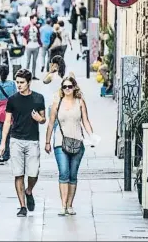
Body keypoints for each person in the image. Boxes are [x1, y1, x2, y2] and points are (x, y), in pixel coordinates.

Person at [0, 69, 46, 217]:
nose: (19, 85)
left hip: (32, 140)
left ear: (29, 82)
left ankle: (29, 190)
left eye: (22, 82)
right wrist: (2, 142)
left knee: (33, 173)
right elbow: (7, 121)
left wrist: (40, 119)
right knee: (18, 174)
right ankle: (22, 206)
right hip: (16, 140)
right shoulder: (12, 100)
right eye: (17, 82)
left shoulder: (38, 98)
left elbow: (43, 118)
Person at [45, 77, 94, 216]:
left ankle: (70, 205)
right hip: (60, 143)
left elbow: (85, 121)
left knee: (73, 175)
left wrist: (92, 136)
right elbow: (50, 123)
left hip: (78, 142)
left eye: (69, 86)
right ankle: (63, 205)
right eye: (64, 87)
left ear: (74, 88)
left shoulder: (80, 102)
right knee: (64, 173)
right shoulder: (57, 103)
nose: (67, 89)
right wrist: (48, 142)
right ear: (62, 88)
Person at [23, 15, 42, 80]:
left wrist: (40, 44)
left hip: (36, 46)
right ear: (31, 19)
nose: (36, 20)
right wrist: (26, 45)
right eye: (35, 19)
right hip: (29, 45)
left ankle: (33, 75)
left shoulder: (37, 27)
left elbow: (39, 36)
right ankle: (26, 75)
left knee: (34, 61)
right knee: (28, 61)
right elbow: (24, 36)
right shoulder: (26, 27)